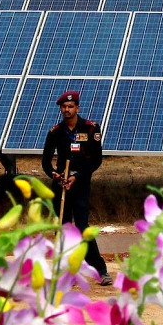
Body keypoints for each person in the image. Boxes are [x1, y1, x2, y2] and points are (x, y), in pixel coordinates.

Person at [41, 91, 111, 286]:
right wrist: (54, 175)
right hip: (61, 186)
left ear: (77, 108)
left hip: (80, 185)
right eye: (64, 107)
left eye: (70, 106)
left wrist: (76, 177)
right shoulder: (55, 132)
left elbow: (96, 160)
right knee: (62, 229)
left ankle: (100, 271)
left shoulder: (90, 128)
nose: (67, 109)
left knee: (82, 228)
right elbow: (46, 162)